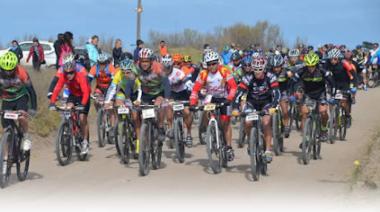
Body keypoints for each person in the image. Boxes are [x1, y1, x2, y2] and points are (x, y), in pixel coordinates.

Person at [190, 50, 237, 161]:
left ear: (218, 63)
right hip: (211, 97)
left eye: (214, 63)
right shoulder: (203, 74)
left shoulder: (224, 71)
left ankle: (229, 146)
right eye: (209, 64)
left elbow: (234, 87)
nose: (212, 66)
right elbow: (195, 90)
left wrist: (229, 99)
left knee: (225, 122)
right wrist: (192, 103)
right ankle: (210, 129)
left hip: (224, 97)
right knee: (206, 110)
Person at [232, 56, 280, 162]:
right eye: (255, 69)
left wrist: (274, 106)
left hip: (266, 103)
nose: (257, 72)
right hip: (252, 103)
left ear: (264, 68)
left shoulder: (271, 76)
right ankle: (251, 140)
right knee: (248, 122)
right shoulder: (247, 78)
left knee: (266, 122)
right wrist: (235, 108)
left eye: (260, 69)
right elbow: (238, 94)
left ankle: (268, 150)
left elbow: (277, 93)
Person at [125, 48, 171, 142]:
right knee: (136, 110)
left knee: (160, 105)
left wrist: (166, 98)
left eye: (146, 61)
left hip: (159, 92)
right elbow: (129, 83)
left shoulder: (158, 67)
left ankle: (161, 127)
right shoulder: (136, 68)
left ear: (151, 61)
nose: (144, 63)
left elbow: (166, 83)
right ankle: (142, 133)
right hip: (145, 93)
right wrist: (127, 98)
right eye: (142, 61)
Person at [49, 54, 91, 155]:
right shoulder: (64, 76)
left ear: (74, 71)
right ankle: (69, 128)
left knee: (81, 118)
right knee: (67, 109)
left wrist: (82, 104)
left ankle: (85, 142)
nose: (69, 75)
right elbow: (57, 88)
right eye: (67, 73)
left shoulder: (80, 76)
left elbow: (86, 92)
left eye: (71, 73)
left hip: (84, 96)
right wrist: (52, 102)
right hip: (73, 95)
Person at [0, 52, 37, 151]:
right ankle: (7, 156)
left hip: (21, 97)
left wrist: (33, 108)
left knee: (21, 116)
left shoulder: (21, 71)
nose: (8, 73)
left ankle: (26, 136)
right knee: (5, 126)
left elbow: (31, 91)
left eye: (11, 70)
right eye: (5, 70)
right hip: (6, 98)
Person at [294, 53, 334, 142]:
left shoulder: (322, 71)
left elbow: (331, 82)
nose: (310, 68)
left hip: (321, 94)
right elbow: (293, 82)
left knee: (323, 112)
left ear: (316, 64)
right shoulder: (302, 71)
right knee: (304, 114)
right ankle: (305, 139)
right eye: (309, 66)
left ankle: (323, 130)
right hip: (308, 94)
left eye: (312, 66)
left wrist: (332, 94)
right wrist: (295, 92)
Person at [105, 58, 142, 154]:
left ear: (131, 71)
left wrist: (138, 100)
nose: (125, 74)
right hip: (123, 92)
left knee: (135, 117)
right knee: (117, 103)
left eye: (128, 72)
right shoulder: (118, 74)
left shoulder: (135, 76)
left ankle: (138, 142)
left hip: (134, 93)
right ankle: (121, 123)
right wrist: (108, 101)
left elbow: (140, 89)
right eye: (123, 72)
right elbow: (112, 88)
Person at [162, 54, 194, 146]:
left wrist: (189, 85)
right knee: (168, 108)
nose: (166, 69)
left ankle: (188, 134)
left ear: (172, 65)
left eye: (168, 67)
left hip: (182, 93)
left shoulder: (178, 72)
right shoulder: (161, 74)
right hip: (171, 94)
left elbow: (186, 80)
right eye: (164, 67)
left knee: (187, 113)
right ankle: (170, 128)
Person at [268, 54, 293, 138]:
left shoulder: (286, 71)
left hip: (283, 92)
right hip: (272, 92)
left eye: (278, 67)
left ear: (282, 65)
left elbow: (292, 82)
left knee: (285, 110)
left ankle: (286, 126)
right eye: (274, 67)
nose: (276, 69)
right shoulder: (268, 72)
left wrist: (290, 76)